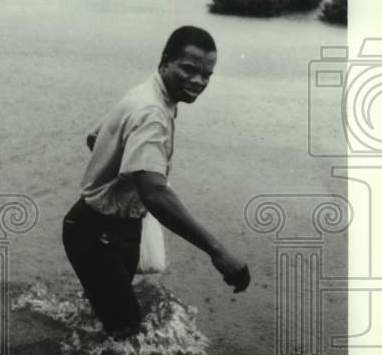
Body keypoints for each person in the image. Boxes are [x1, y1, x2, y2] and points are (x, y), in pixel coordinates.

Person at [62, 26, 251, 338]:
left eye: (206, 75)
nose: (197, 82)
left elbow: (95, 137)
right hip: (98, 233)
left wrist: (121, 178)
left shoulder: (146, 94)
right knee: (127, 334)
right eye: (188, 69)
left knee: (107, 317)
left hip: (109, 225)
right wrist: (218, 251)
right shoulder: (151, 111)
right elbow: (154, 193)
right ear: (166, 62)